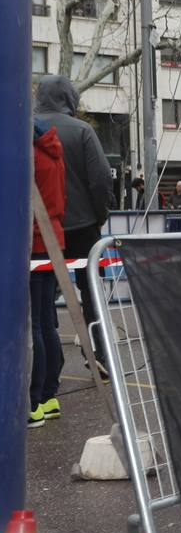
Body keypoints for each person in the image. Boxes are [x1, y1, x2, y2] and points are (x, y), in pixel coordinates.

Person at [34, 75, 112, 373]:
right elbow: (102, 178)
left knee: (42, 296)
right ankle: (100, 355)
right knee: (91, 291)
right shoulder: (83, 131)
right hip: (83, 225)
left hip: (41, 229)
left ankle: (49, 363)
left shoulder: (26, 129)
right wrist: (99, 214)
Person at [30, 119, 66, 429]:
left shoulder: (27, 153)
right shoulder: (53, 150)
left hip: (32, 240)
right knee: (46, 320)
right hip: (53, 237)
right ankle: (49, 396)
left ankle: (34, 402)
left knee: (35, 325)